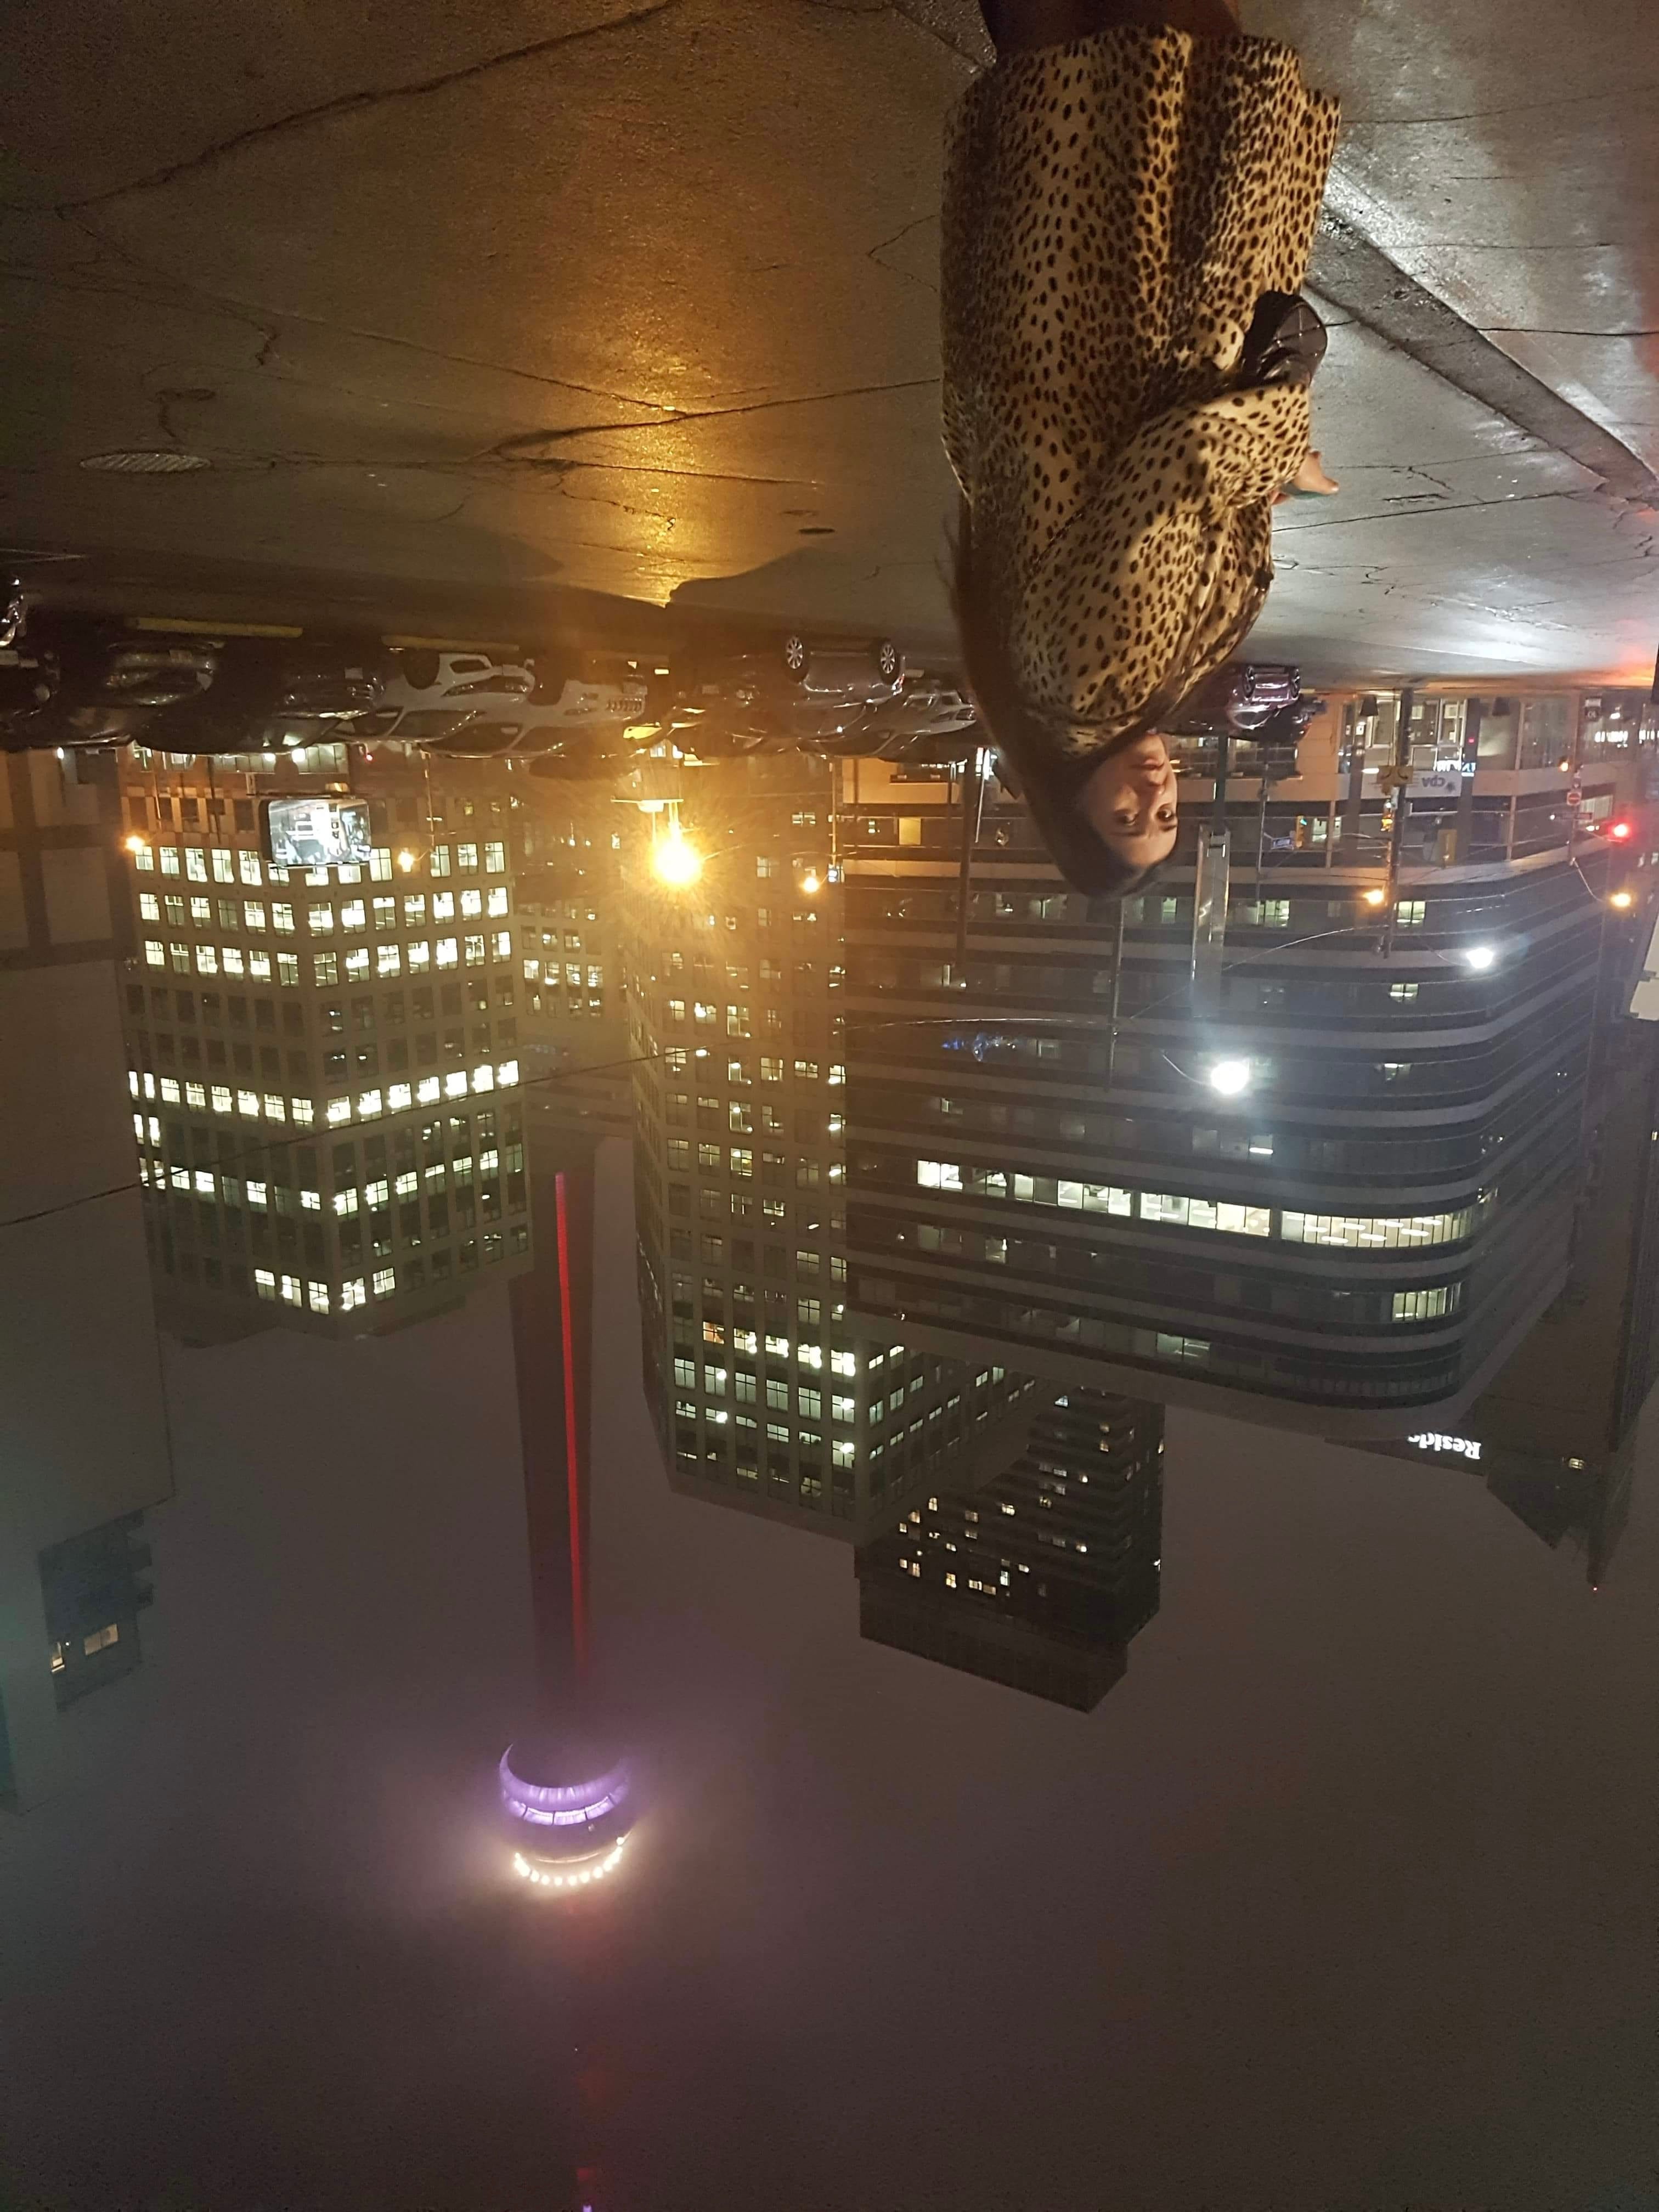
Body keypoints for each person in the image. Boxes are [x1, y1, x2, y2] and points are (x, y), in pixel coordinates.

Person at [944, 0, 1341, 893]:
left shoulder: (1098, 689)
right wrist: (1259, 492)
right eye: (1166, 818)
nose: (1156, 794)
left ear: (1071, 807)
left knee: (1162, 52)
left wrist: (1281, 443)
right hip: (1061, 320)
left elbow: (1175, 467)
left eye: (1126, 818)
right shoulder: (1059, 705)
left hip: (1137, 301)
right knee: (1058, 64)